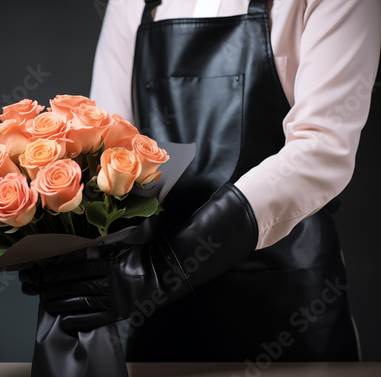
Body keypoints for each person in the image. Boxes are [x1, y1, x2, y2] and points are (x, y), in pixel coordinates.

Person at [22, 0, 381, 362]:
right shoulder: (129, 4)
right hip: (160, 310)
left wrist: (158, 273)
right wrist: (66, 260)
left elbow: (320, 150)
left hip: (289, 303)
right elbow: (109, 152)